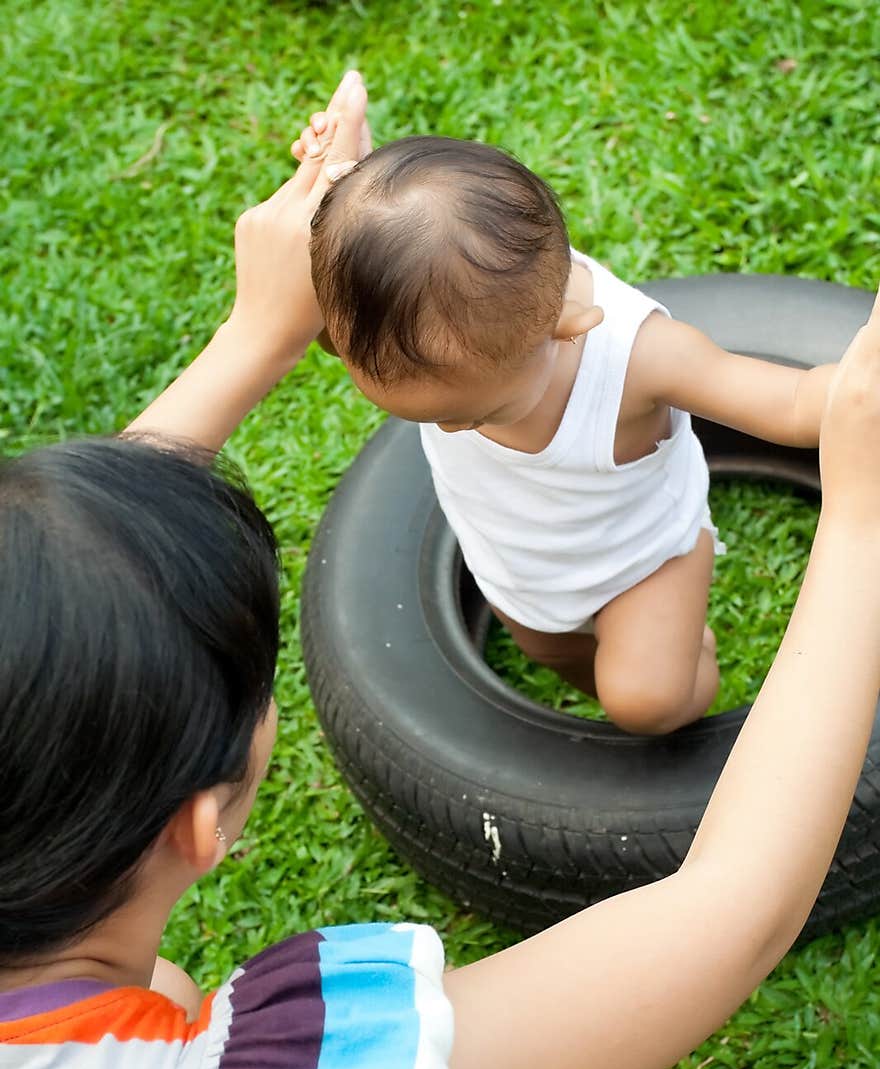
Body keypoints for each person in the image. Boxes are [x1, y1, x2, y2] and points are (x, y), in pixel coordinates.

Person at [1, 69, 879, 1069]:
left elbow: (40, 593)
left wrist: (263, 329)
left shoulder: (622, 354)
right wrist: (862, 510)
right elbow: (726, 907)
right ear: (205, 818)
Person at [303, 130, 839, 735]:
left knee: (648, 703)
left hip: (643, 557)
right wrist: (334, 189)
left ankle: (691, 653)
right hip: (512, 560)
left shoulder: (638, 359)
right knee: (552, 650)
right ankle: (603, 648)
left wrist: (857, 389)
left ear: (566, 328)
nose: (449, 430)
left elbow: (792, 401)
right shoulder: (425, 333)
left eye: (474, 417)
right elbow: (324, 317)